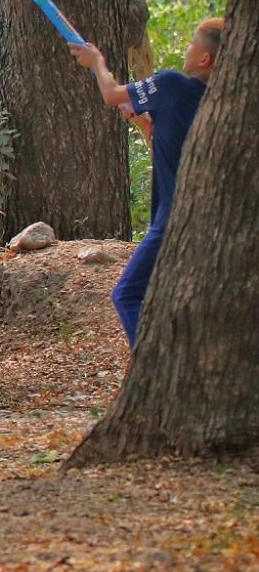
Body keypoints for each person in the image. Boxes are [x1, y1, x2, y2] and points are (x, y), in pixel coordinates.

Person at [72, 18, 223, 345]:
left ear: (204, 60)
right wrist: (142, 121)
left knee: (126, 295)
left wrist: (96, 63)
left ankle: (148, 370)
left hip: (172, 220)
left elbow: (112, 94)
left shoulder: (172, 84)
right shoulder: (215, 103)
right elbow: (164, 140)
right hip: (204, 221)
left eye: (192, 42)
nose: (187, 46)